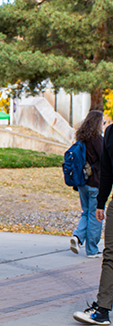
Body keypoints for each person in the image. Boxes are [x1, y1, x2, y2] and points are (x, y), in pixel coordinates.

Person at [73, 116, 113, 326]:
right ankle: (103, 309)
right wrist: (101, 203)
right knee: (110, 255)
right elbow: (107, 172)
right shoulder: (110, 134)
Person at [69, 110, 104, 258]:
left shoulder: (81, 138)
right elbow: (105, 160)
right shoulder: (97, 139)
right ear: (97, 123)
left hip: (82, 182)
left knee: (86, 212)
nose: (104, 125)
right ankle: (92, 250)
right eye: (102, 122)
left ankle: (77, 237)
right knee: (96, 215)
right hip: (95, 183)